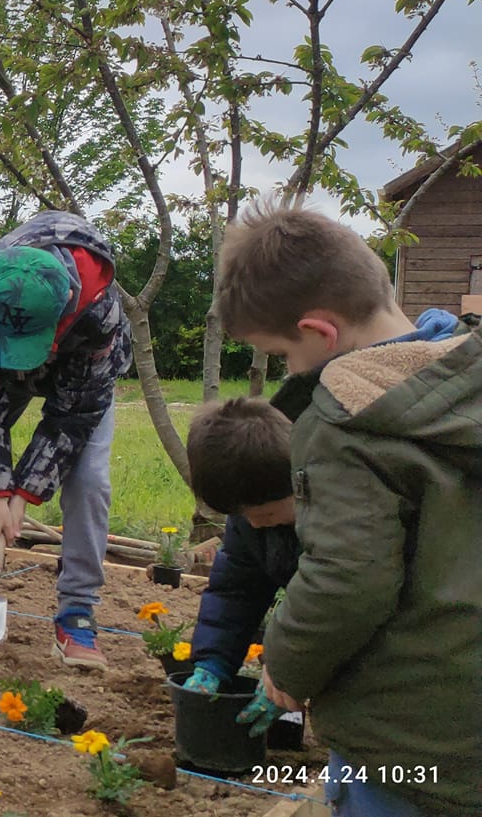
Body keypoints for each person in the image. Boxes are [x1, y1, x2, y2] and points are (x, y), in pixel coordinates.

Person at [215, 207, 477, 817]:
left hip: (408, 740)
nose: (289, 372)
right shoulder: (464, 382)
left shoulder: (346, 425)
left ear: (319, 332)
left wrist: (286, 664)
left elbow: (347, 578)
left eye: (281, 354)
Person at [0, 209, 131, 672]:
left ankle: (76, 611)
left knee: (90, 481)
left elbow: (72, 417)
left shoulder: (99, 313)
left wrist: (23, 494)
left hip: (79, 382)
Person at [177, 397, 300, 734]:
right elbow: (235, 592)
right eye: (243, 516)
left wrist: (293, 667)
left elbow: (338, 601)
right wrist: (212, 662)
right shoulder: (250, 517)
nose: (256, 525)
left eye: (266, 515)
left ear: (296, 485)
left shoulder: (332, 518)